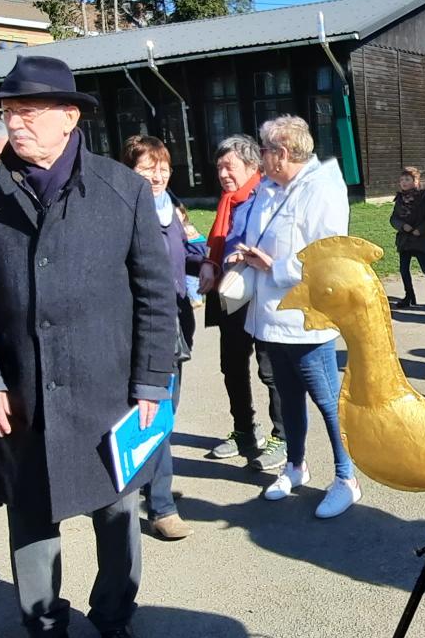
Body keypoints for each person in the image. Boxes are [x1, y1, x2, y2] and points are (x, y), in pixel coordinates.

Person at [0, 54, 178, 638]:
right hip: (20, 398)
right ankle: (43, 633)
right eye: (7, 111)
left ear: (69, 117)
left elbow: (155, 295)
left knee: (116, 516)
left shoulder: (121, 190)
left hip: (108, 393)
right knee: (30, 521)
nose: (14, 122)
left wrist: (151, 383)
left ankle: (115, 623)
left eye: (29, 111)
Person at [226, 115, 362, 519]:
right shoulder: (270, 187)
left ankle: (347, 478)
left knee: (328, 402)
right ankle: (296, 466)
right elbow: (255, 232)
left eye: (264, 150)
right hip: (270, 317)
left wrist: (275, 266)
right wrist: (244, 253)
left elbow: (329, 257)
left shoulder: (322, 189)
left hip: (306, 321)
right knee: (287, 399)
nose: (260, 156)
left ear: (282, 153)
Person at [124, 134, 204, 542]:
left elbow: (189, 251)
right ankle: (161, 507)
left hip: (175, 325)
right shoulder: (120, 211)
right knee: (153, 415)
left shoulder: (172, 207)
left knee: (164, 412)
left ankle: (148, 487)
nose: (157, 176)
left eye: (163, 168)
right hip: (139, 328)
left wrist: (211, 263)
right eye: (146, 169)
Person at [200, 135, 285, 473]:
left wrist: (249, 255)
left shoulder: (268, 196)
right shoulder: (228, 201)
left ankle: (283, 436)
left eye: (229, 166)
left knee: (270, 369)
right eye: (219, 167)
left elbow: (281, 242)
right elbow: (218, 241)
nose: (223, 174)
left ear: (252, 166)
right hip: (232, 295)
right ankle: (245, 431)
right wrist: (210, 262)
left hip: (262, 295)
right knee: (233, 367)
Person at [389, 164, 425, 310]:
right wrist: (402, 226)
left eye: (407, 179)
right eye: (402, 180)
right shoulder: (400, 199)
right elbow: (393, 218)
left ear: (416, 181)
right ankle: (409, 296)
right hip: (404, 240)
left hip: (420, 239)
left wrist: (420, 230)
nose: (404, 182)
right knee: (404, 269)